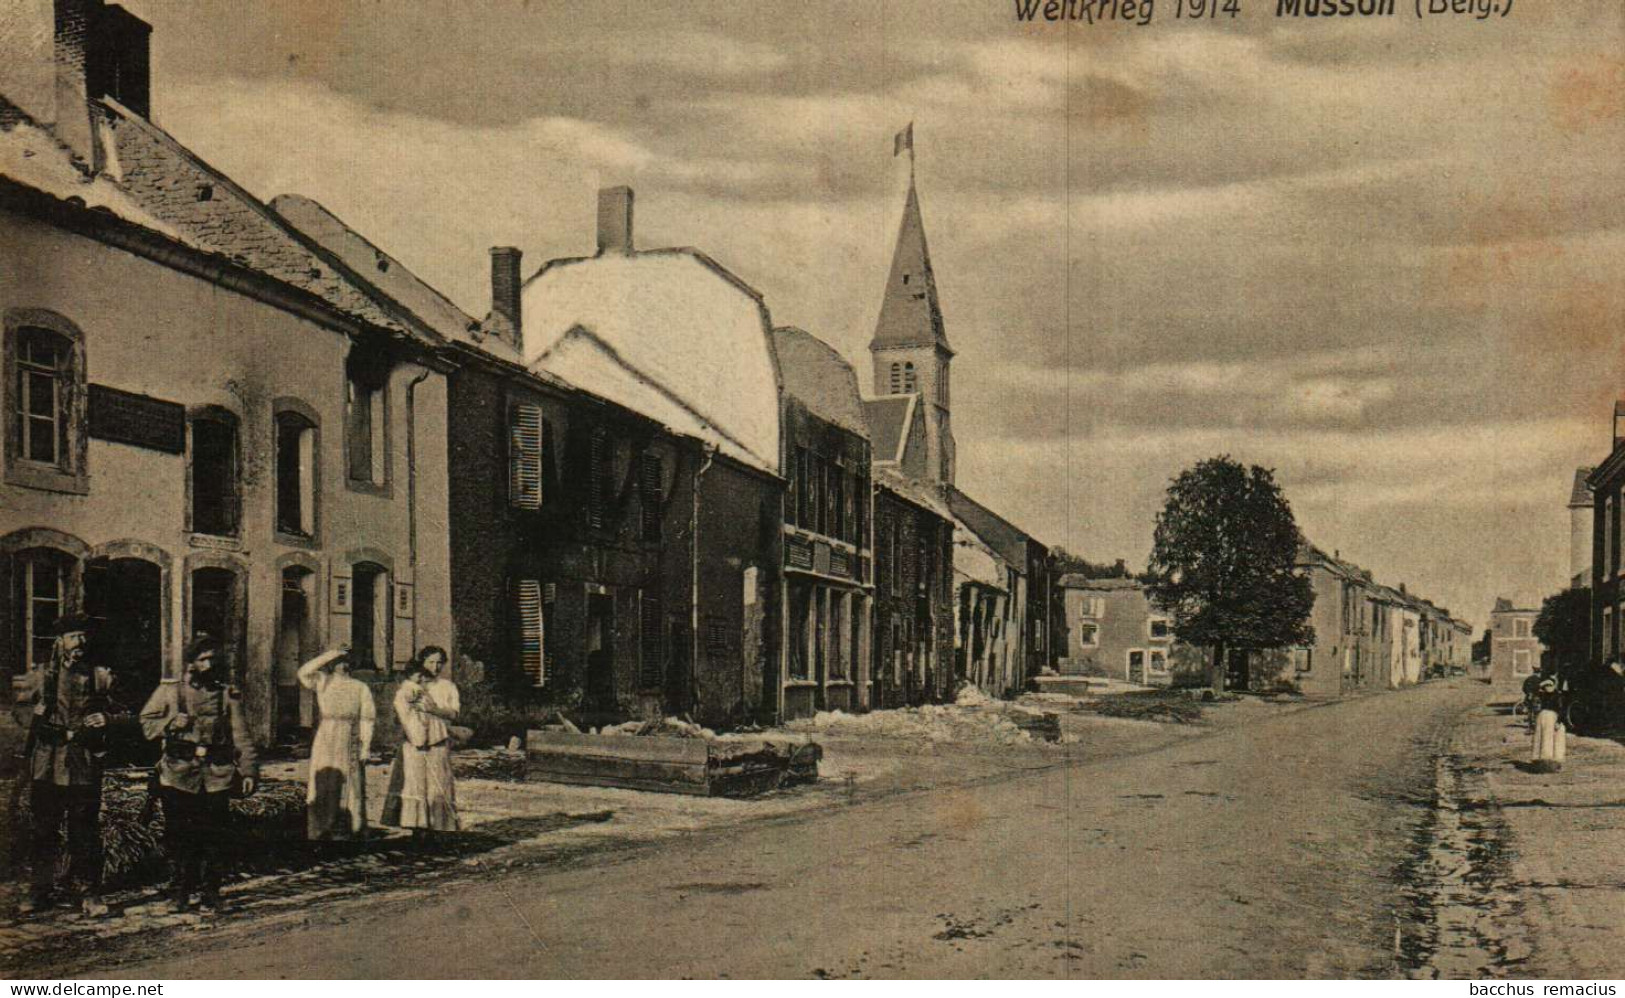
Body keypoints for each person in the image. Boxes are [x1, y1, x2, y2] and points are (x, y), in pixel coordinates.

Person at [15, 613, 125, 916]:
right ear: (60, 641)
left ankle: (88, 892)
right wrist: (45, 725)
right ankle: (40, 890)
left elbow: (127, 713)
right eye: (74, 636)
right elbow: (21, 713)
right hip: (46, 765)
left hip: (84, 764)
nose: (80, 642)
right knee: (43, 830)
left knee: (84, 831)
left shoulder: (101, 676)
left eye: (83, 636)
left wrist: (108, 719)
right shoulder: (41, 675)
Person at [139, 636, 258, 913]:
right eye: (202, 659)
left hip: (216, 774)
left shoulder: (228, 694)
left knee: (214, 837)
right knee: (180, 835)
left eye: (212, 659)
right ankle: (179, 891)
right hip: (178, 773)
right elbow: (146, 724)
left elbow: (241, 735)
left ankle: (210, 892)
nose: (209, 664)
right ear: (191, 663)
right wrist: (170, 723)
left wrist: (250, 769)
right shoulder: (171, 692)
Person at [297, 646, 376, 840]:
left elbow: (367, 719)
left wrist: (366, 746)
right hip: (327, 735)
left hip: (350, 735)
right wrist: (330, 654)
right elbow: (303, 672)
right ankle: (320, 830)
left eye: (347, 661)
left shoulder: (360, 687)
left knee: (351, 782)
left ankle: (351, 829)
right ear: (331, 664)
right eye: (339, 662)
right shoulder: (323, 681)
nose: (343, 666)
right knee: (325, 779)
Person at [380, 646, 460, 838]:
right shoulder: (409, 686)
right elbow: (399, 713)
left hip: (438, 739)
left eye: (440, 662)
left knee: (438, 783)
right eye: (431, 662)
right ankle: (416, 828)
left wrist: (434, 710)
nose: (436, 666)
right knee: (414, 783)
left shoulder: (447, 686)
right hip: (413, 742)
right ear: (422, 663)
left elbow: (454, 714)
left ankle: (439, 828)